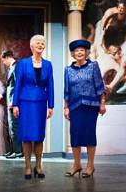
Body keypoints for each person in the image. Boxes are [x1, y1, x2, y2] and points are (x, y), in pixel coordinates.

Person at [11, 34, 54, 180]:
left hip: (41, 103)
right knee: (27, 136)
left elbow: (50, 86)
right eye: (38, 42)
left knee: (39, 136)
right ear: (31, 46)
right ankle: (28, 166)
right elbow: (17, 85)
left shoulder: (48, 64)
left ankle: (39, 166)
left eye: (43, 43)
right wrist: (15, 104)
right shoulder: (22, 63)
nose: (40, 45)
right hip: (25, 103)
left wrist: (51, 105)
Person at [63, 39, 106, 179]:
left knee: (89, 134)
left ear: (86, 52)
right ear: (73, 53)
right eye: (76, 51)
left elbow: (100, 86)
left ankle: (90, 165)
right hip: (74, 107)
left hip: (91, 106)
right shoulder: (68, 70)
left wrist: (102, 103)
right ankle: (76, 164)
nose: (79, 52)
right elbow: (66, 90)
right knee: (75, 135)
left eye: (82, 50)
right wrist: (66, 107)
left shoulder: (93, 66)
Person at [0, 50, 22, 158]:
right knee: (11, 127)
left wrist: (14, 102)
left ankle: (18, 151)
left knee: (14, 127)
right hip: (10, 101)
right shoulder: (11, 68)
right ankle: (13, 150)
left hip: (14, 103)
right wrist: (2, 95)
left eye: (3, 60)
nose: (3, 62)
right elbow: (10, 86)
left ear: (8, 57)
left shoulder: (17, 66)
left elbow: (18, 85)